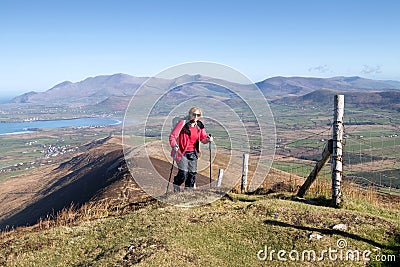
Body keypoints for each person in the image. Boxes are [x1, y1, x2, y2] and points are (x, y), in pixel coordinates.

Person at [169, 107, 213, 192]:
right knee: (184, 173)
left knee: (192, 174)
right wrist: (174, 145)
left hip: (193, 152)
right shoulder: (182, 123)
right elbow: (172, 136)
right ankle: (176, 184)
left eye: (198, 115)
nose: (196, 116)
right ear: (190, 114)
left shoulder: (199, 125)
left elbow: (203, 138)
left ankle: (188, 192)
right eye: (194, 114)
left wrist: (208, 139)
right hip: (181, 152)